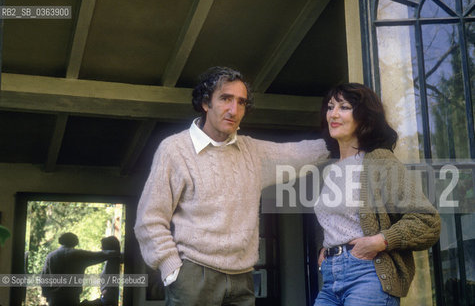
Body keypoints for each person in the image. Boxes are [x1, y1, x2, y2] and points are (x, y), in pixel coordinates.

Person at [134, 66, 329, 305]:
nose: (233, 110)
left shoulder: (252, 151)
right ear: (206, 103)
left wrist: (341, 137)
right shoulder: (174, 149)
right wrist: (171, 267)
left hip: (243, 279)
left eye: (241, 102)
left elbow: (298, 153)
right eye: (225, 99)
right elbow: (149, 218)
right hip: (194, 276)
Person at [313, 83, 441, 305]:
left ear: (363, 118)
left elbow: (426, 221)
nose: (333, 114)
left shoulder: (379, 160)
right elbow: (342, 222)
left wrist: (380, 241)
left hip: (368, 274)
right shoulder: (330, 169)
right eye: (330, 106)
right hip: (330, 277)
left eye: (344, 107)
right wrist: (329, 247)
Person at [41, 232, 118, 306]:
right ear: (75, 242)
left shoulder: (50, 257)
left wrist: (48, 296)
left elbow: (43, 280)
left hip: (53, 301)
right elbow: (100, 255)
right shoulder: (77, 255)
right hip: (71, 300)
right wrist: (121, 254)